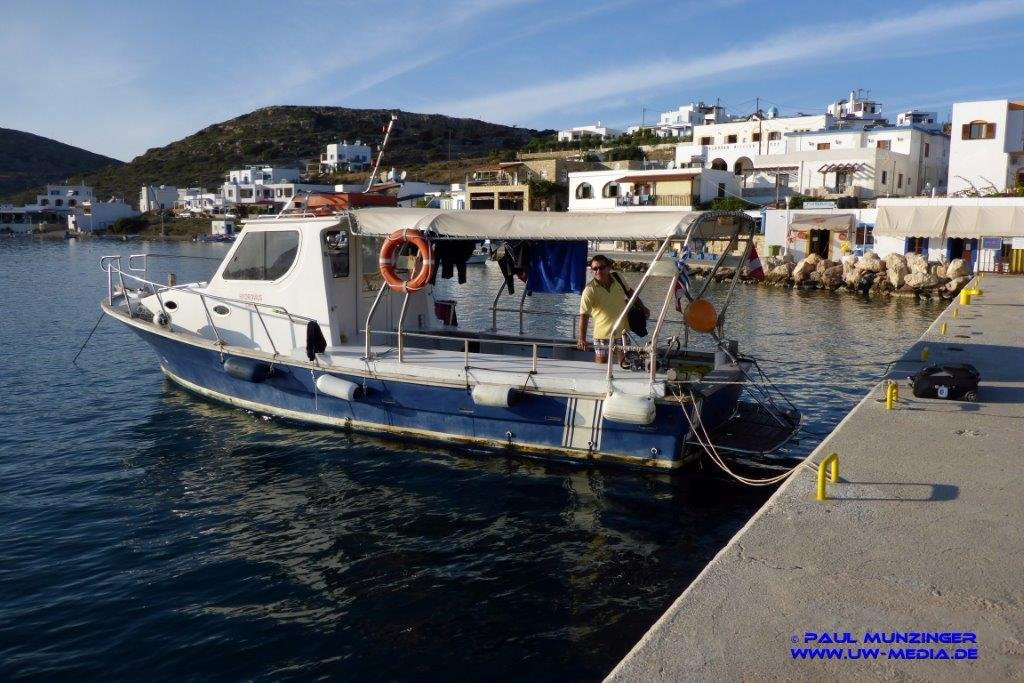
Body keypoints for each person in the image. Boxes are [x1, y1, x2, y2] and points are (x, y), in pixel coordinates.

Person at [577, 255, 641, 364]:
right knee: (601, 367)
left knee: (625, 364)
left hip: (622, 332)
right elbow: (584, 315)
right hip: (602, 334)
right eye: (595, 269)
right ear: (591, 271)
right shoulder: (589, 290)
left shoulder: (618, 278)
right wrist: (581, 338)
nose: (598, 271)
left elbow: (630, 292)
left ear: (608, 268)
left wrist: (643, 307)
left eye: (602, 267)